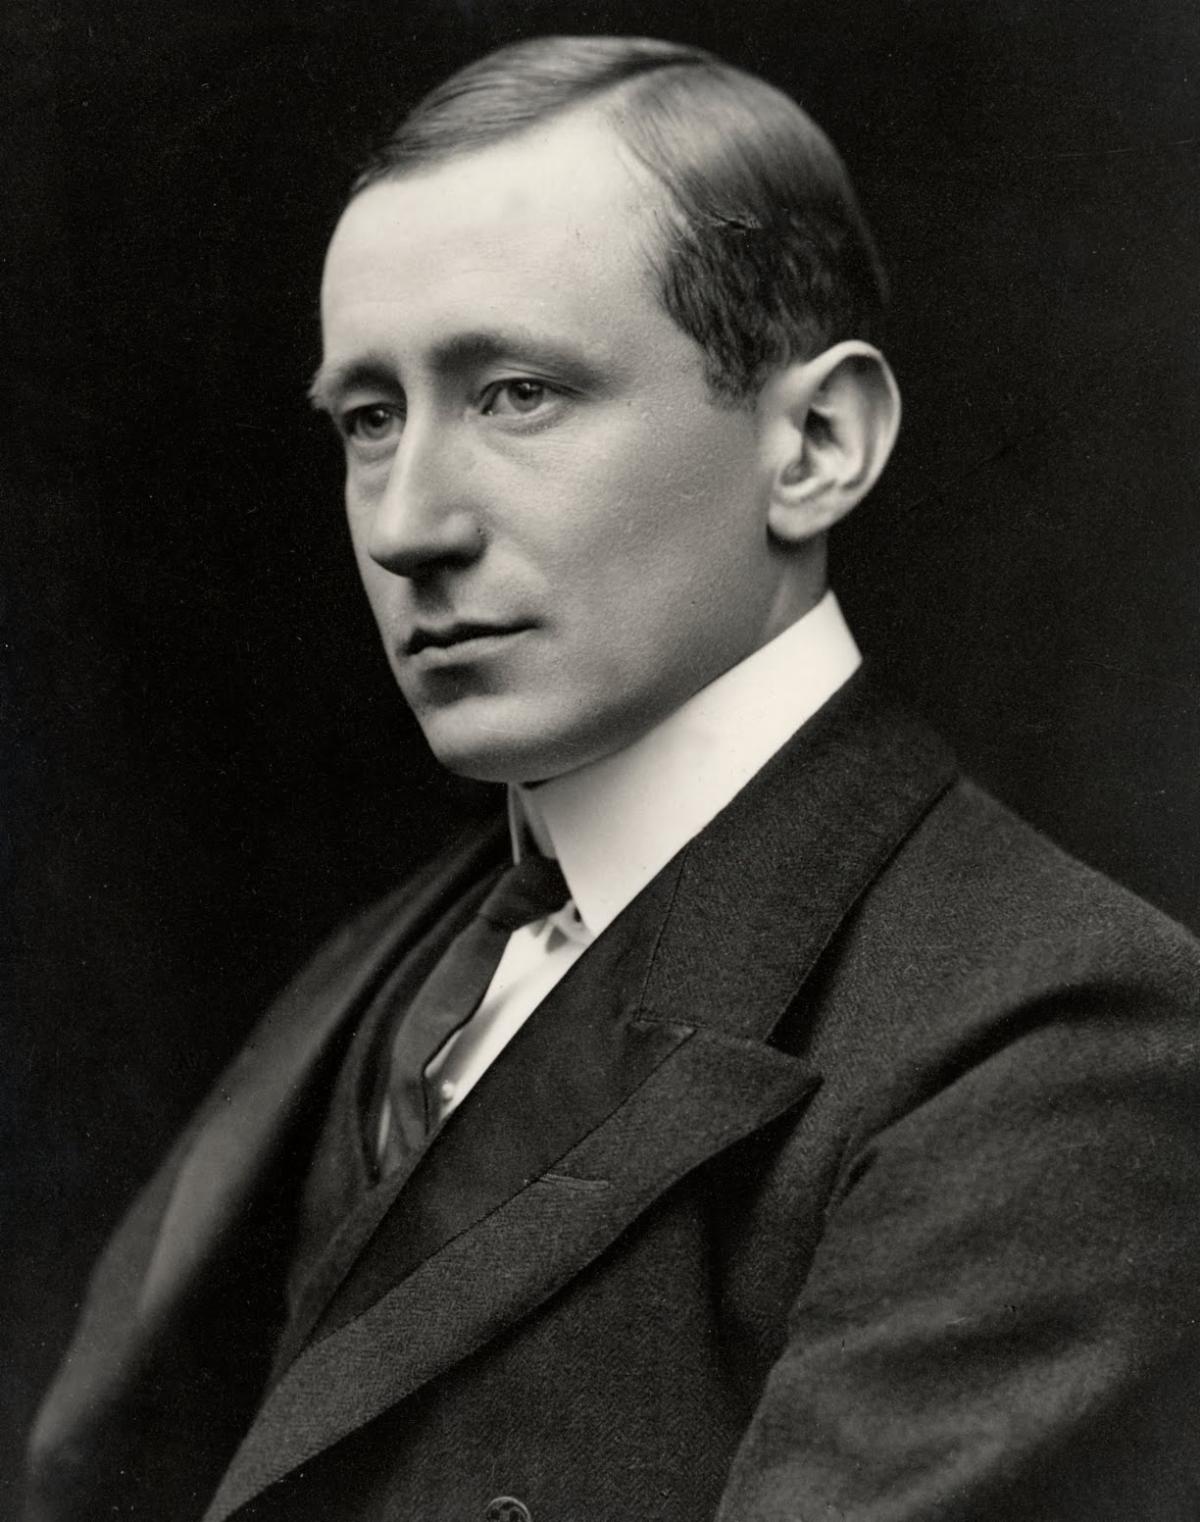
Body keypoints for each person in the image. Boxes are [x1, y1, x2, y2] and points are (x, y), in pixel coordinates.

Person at [26, 34, 1200, 1522]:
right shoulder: (397, 964)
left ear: (815, 444)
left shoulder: (1049, 1043)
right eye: (370, 419)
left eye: (517, 393)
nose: (406, 525)